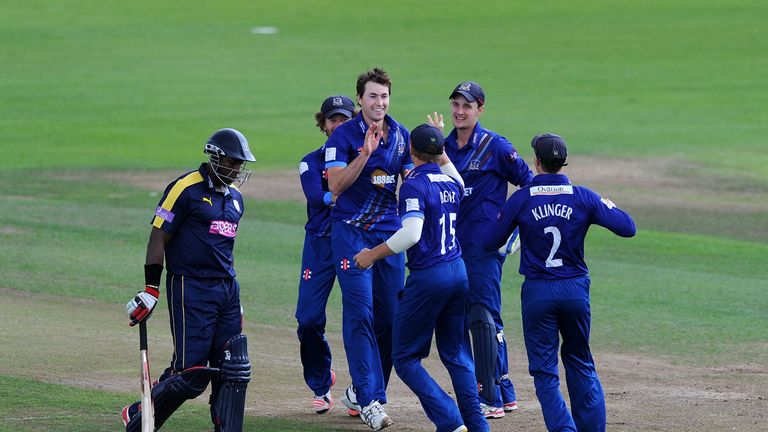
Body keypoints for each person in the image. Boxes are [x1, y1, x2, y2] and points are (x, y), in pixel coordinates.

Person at [484, 133, 636, 432]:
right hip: (575, 290)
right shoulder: (583, 196)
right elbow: (627, 227)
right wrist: (601, 204)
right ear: (563, 163)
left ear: (537, 163)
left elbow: (491, 241)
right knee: (580, 360)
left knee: (544, 372)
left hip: (539, 292)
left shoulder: (523, 198)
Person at [354, 124, 489, 432]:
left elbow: (412, 234)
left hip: (429, 277)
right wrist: (439, 145)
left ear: (410, 152)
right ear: (440, 151)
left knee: (404, 356)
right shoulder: (452, 183)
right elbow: (453, 173)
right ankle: (477, 426)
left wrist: (370, 255)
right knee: (455, 353)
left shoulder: (413, 185)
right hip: (459, 272)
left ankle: (450, 420)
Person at [122, 128, 255, 432]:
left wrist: (235, 298)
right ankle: (140, 416)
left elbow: (224, 250)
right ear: (215, 157)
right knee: (191, 373)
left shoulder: (236, 200)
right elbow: (158, 237)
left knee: (233, 367)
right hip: (190, 287)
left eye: (240, 164)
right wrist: (151, 290)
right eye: (233, 163)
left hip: (226, 290)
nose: (237, 170)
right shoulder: (185, 188)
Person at [429, 81, 533, 418]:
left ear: (480, 109)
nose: (460, 111)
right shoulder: (444, 147)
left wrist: (513, 229)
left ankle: (494, 393)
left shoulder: (496, 147)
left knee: (485, 316)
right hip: (453, 246)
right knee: (466, 317)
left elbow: (530, 184)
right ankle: (501, 391)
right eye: (456, 104)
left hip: (484, 245)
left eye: (467, 106)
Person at [324, 67, 413, 430]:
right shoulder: (343, 137)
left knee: (391, 319)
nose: (380, 102)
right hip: (350, 233)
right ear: (360, 98)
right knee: (359, 314)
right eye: (373, 96)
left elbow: (410, 181)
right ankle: (372, 400)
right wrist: (364, 155)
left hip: (388, 236)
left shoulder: (402, 135)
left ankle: (363, 392)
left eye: (385, 96)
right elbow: (336, 185)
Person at [296, 95, 356, 414]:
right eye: (333, 119)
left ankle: (362, 389)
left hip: (354, 241)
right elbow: (316, 196)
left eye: (345, 119)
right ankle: (322, 382)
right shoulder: (310, 161)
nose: (338, 125)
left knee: (362, 316)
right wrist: (343, 193)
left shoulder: (363, 158)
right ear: (324, 123)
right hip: (320, 243)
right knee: (307, 320)